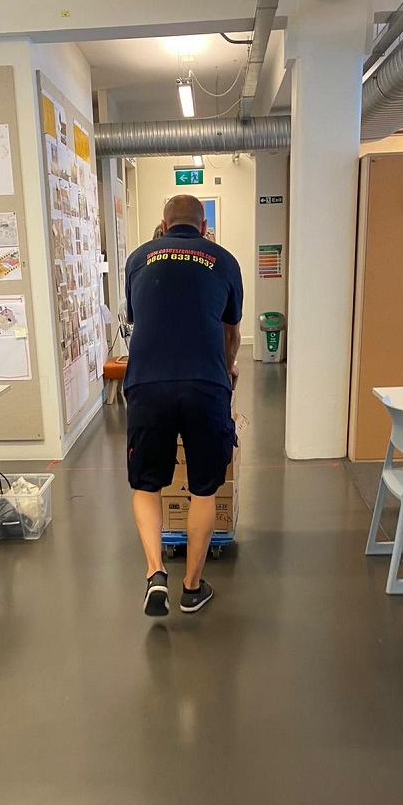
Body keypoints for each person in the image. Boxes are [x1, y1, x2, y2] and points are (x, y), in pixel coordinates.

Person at [123, 194, 243, 617]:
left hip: (146, 384)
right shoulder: (224, 260)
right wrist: (228, 370)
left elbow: (140, 317)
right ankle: (192, 587)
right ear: (204, 226)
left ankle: (156, 572)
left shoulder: (138, 258)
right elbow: (231, 334)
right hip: (204, 385)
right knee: (204, 488)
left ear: (163, 222)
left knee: (146, 485)